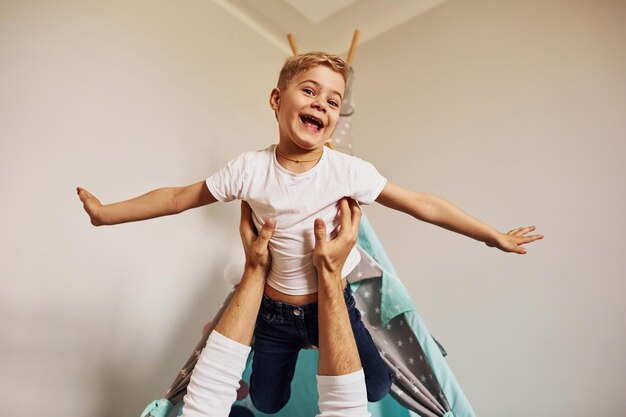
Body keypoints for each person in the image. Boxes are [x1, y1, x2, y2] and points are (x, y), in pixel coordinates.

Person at [77, 51, 543, 412]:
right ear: (278, 100)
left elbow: (422, 203)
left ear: (335, 118)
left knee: (377, 386)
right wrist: (106, 213)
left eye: (333, 100)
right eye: (309, 91)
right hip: (274, 315)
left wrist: (490, 235)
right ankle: (261, 353)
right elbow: (179, 197)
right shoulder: (250, 169)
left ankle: (316, 351)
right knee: (267, 402)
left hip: (331, 305)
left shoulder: (348, 171)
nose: (322, 103)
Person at [182, 198, 369, 417]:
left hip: (276, 310)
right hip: (280, 317)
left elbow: (206, 403)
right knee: (266, 403)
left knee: (376, 386)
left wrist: (255, 269)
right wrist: (329, 275)